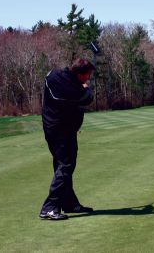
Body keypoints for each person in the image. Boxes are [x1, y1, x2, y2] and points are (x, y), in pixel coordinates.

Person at [39, 58, 95, 220]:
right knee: (65, 165)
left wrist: (81, 84)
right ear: (79, 74)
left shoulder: (55, 74)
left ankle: (69, 203)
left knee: (65, 165)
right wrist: (85, 87)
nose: (88, 79)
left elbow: (51, 76)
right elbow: (88, 98)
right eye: (87, 76)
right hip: (58, 130)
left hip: (64, 128)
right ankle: (49, 208)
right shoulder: (72, 89)